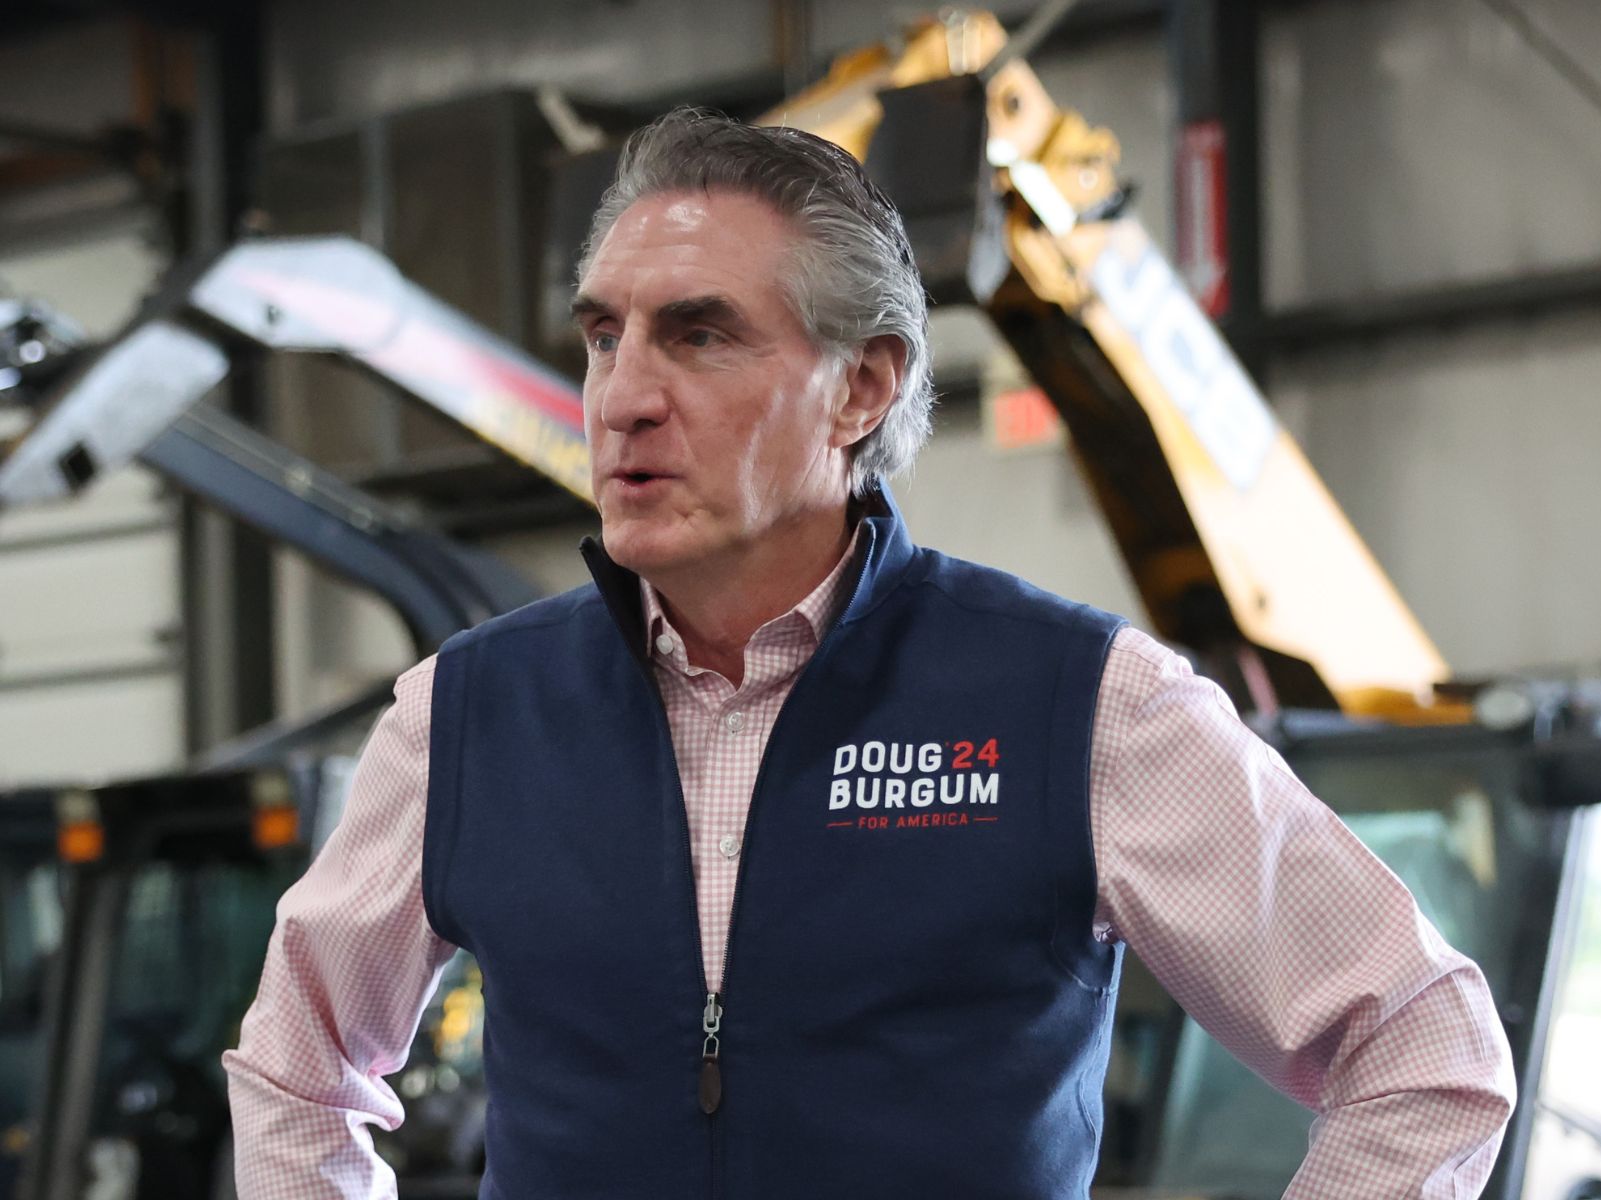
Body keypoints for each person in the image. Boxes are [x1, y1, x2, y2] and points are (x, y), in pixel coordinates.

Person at [222, 108, 1514, 1199]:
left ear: (862, 389)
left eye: (699, 332)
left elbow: (1425, 1047)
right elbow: (295, 1067)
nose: (621, 395)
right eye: (604, 334)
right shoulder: (469, 718)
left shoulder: (1075, 709)